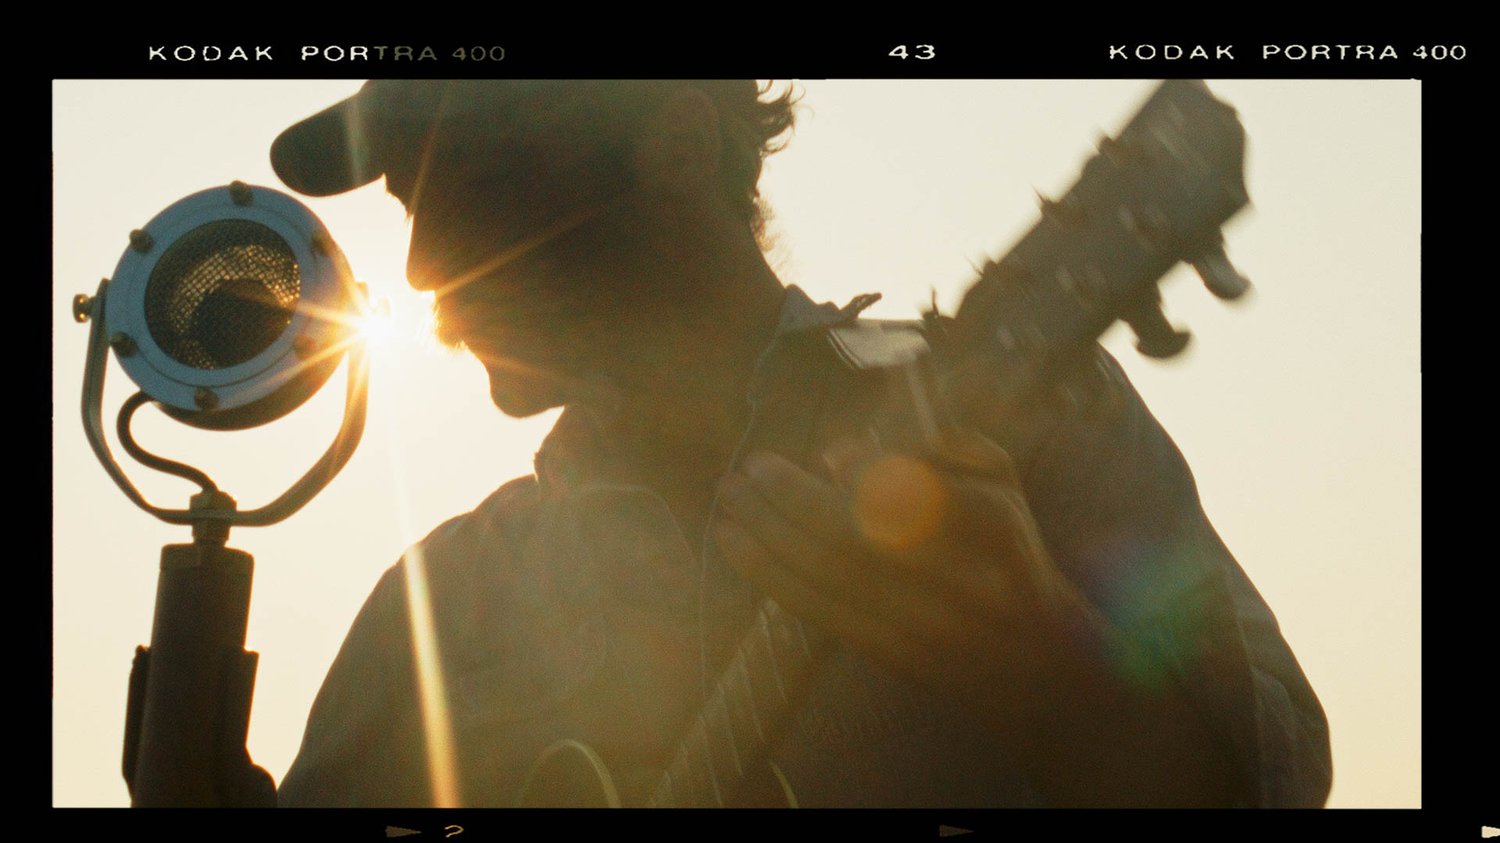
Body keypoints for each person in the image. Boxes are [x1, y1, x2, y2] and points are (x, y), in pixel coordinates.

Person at [267, 80, 1331, 808]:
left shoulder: (1018, 417)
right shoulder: (446, 602)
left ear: (674, 145)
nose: (417, 266)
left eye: (475, 183)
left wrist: (1036, 662)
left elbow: (1274, 784)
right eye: (410, 202)